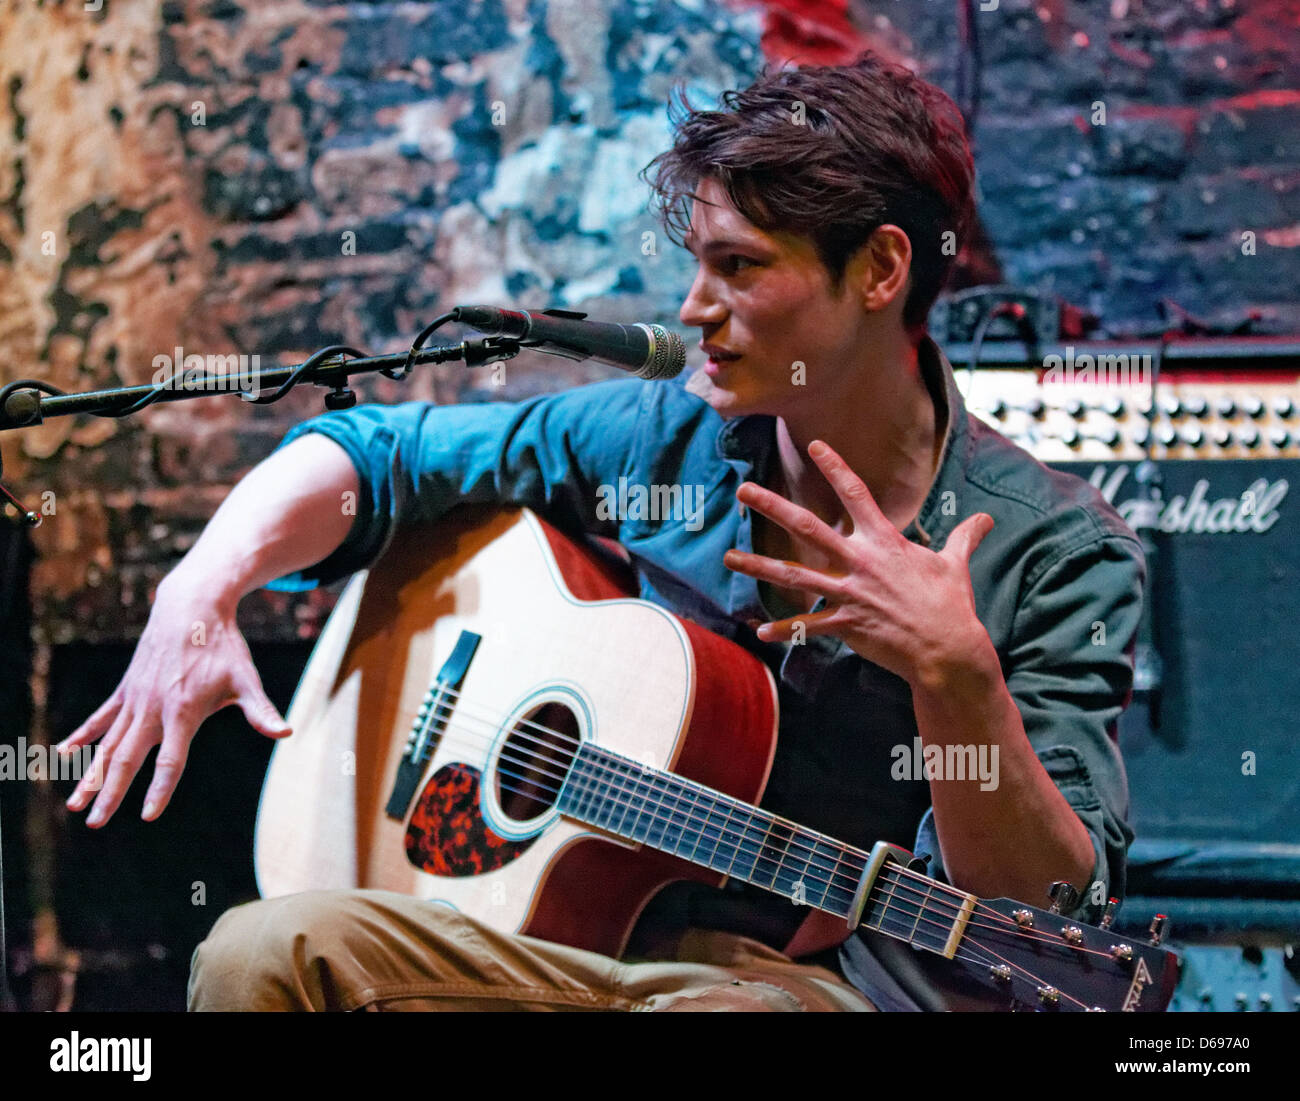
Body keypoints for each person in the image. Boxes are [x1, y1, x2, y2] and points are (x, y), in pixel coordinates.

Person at [57, 51, 1143, 1011]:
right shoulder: (657, 441)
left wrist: (957, 678)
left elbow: (1041, 901)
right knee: (259, 951)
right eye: (696, 263)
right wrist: (200, 588)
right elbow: (380, 456)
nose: (690, 310)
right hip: (569, 950)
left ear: (879, 269)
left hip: (819, 986)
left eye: (740, 267)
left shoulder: (1051, 551)